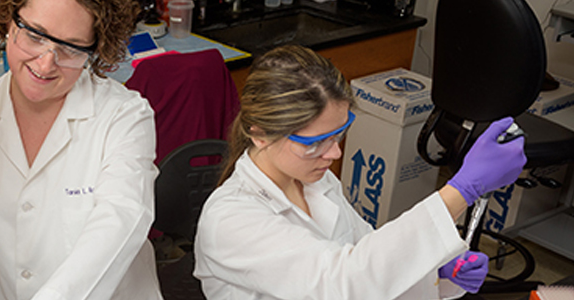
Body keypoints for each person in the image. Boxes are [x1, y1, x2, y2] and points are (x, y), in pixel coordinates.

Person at [193, 45, 526, 299]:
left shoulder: (313, 178)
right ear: (259, 133)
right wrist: (461, 190)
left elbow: (366, 252)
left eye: (338, 135)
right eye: (315, 143)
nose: (334, 154)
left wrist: (433, 271)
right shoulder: (230, 219)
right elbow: (346, 281)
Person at [0, 0, 163, 298]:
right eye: (35, 35)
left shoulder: (124, 117)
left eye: (71, 47)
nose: (46, 64)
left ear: (95, 48)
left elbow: (119, 222)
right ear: (8, 21)